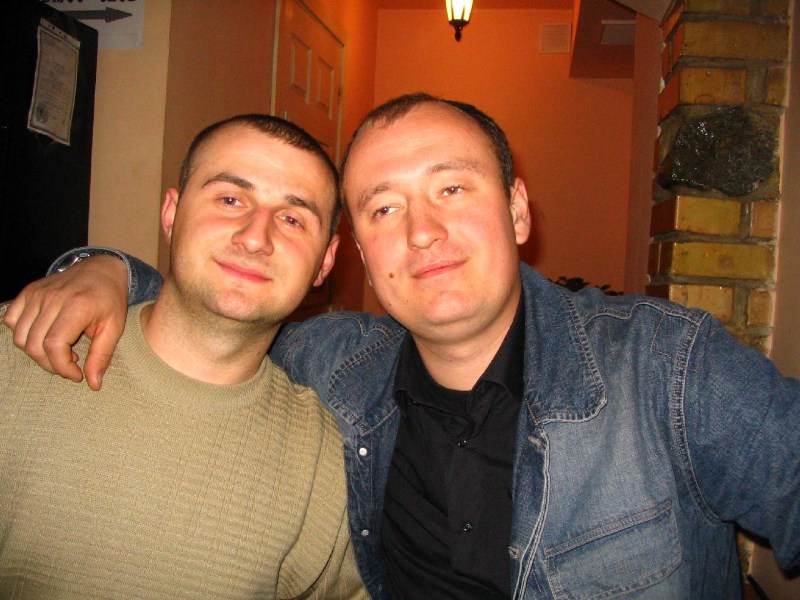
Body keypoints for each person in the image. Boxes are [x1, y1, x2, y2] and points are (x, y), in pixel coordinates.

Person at [5, 94, 800, 599]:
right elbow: (219, 311)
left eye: (452, 189)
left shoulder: (666, 368)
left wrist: (104, 268)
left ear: (517, 211)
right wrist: (109, 272)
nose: (422, 232)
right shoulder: (335, 368)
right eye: (384, 208)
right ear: (353, 254)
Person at [0, 114, 367, 599]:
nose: (256, 237)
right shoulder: (19, 350)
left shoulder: (328, 466)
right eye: (230, 199)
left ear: (325, 261)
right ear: (172, 215)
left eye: (292, 218)